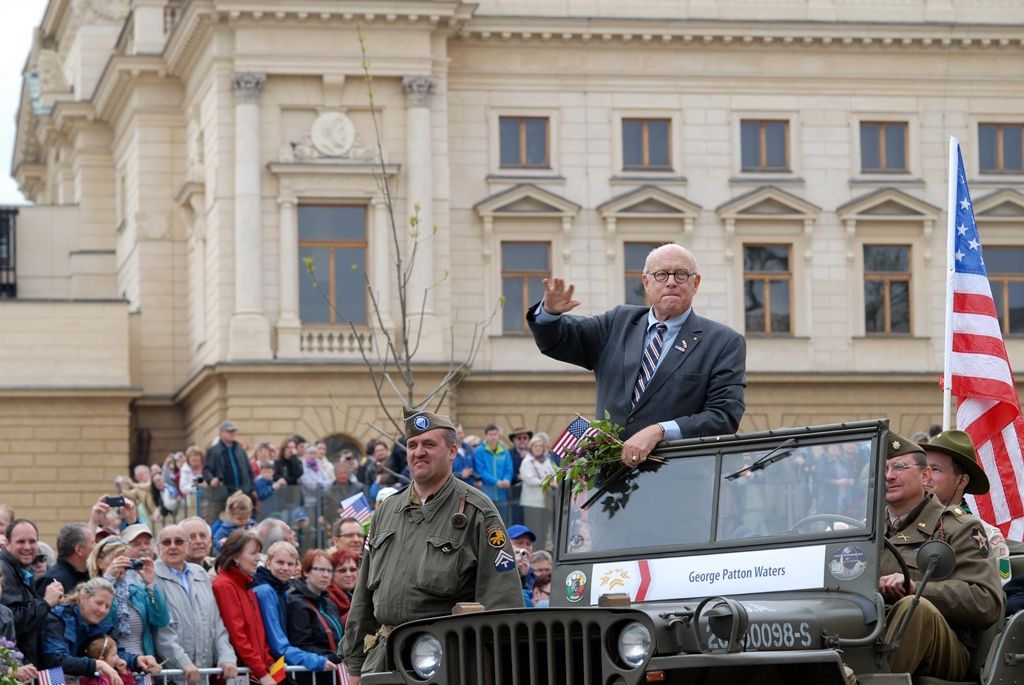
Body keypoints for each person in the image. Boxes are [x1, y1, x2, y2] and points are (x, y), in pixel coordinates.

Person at [342, 411, 524, 682]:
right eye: (412, 445)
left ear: (452, 452)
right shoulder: (386, 511)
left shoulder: (478, 511)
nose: (419, 452)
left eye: (429, 444)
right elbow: (363, 598)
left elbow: (502, 600)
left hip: (446, 664)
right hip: (383, 662)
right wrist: (355, 665)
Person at [527, 243, 746, 465]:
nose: (671, 282)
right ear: (646, 282)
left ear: (695, 283)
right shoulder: (617, 323)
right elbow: (560, 340)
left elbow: (724, 416)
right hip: (611, 477)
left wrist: (660, 431)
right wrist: (550, 313)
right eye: (661, 274)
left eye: (681, 274)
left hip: (678, 475)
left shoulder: (723, 342)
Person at [879, 432, 1002, 680]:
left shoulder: (960, 528)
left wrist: (916, 589)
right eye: (883, 469)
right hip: (872, 633)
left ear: (924, 476)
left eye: (899, 467)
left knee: (915, 607)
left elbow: (986, 601)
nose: (889, 475)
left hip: (942, 646)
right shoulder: (867, 530)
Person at [152, 525, 237, 685]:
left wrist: (226, 656)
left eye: (178, 541)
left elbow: (216, 623)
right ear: (158, 547)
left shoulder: (200, 574)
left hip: (203, 674)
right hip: (171, 676)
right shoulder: (151, 577)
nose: (172, 546)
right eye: (166, 542)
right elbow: (161, 631)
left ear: (187, 544)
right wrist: (183, 662)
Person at [921, 429, 1010, 580]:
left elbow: (994, 590)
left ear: (962, 481)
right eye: (924, 469)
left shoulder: (987, 536)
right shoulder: (902, 523)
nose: (925, 476)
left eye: (935, 469)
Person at [42, 577, 161, 685]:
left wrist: (137, 661)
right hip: (55, 679)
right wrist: (96, 664)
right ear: (83, 598)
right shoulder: (58, 617)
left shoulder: (104, 625)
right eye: (99, 603)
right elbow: (55, 659)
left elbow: (114, 653)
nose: (103, 610)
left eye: (107, 606)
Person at [253, 541, 337, 675]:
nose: (285, 568)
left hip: (277, 664)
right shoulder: (266, 591)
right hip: (268, 665)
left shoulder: (282, 591)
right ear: (268, 563)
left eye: (290, 564)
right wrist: (316, 661)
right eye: (280, 562)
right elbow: (279, 645)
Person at [87, 534, 170, 662]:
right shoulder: (90, 592)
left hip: (142, 662)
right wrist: (108, 580)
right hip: (110, 665)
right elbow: (100, 625)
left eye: (126, 560)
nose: (122, 564)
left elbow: (161, 620)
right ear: (99, 562)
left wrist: (150, 584)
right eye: (116, 560)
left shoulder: (136, 591)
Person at [211, 531, 278, 685]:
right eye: (253, 553)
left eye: (259, 553)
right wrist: (261, 672)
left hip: (253, 672)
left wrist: (269, 662)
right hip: (238, 674)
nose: (258, 558)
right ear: (235, 557)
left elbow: (258, 634)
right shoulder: (224, 585)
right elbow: (237, 634)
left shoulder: (246, 585)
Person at [0, 519, 64, 667]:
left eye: (32, 541)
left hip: (35, 663)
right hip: (17, 668)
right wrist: (46, 603)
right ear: (7, 543)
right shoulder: (4, 571)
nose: (27, 547)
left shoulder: (23, 569)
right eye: (21, 542)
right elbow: (13, 619)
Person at [287, 549, 345, 685]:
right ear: (306, 572)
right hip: (312, 675)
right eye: (320, 569)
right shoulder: (297, 603)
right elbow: (302, 645)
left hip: (333, 673)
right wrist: (336, 657)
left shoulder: (329, 604)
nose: (325, 575)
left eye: (329, 571)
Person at [203, 421, 255, 519]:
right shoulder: (213, 451)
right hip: (222, 493)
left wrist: (251, 488)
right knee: (219, 518)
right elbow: (206, 470)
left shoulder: (240, 450)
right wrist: (211, 479)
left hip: (242, 492)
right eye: (229, 431)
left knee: (244, 518)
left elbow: (249, 471)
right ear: (221, 433)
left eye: (234, 431)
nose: (232, 433)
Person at [519, 436, 557, 551]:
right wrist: (548, 483)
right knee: (534, 530)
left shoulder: (548, 461)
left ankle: (541, 552)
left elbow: (554, 474)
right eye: (535, 446)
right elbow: (529, 479)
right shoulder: (527, 462)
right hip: (532, 503)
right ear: (531, 447)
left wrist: (555, 482)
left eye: (540, 446)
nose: (538, 448)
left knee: (544, 530)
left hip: (546, 502)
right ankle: (533, 552)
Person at [35, 522, 94, 594]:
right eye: (93, 543)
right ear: (79, 550)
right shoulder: (54, 582)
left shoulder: (88, 576)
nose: (96, 547)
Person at [473, 424, 513, 519]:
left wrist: (507, 479)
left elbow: (509, 468)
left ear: (498, 435)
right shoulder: (479, 450)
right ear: (486, 436)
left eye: (495, 434)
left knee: (503, 520)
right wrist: (497, 482)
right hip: (486, 494)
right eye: (491, 434)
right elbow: (481, 471)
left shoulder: (504, 450)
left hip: (502, 494)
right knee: (488, 520)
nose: (493, 437)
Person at [507, 525, 537, 607]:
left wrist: (524, 575)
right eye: (519, 543)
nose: (525, 547)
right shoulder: (499, 570)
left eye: (528, 544)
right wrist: (513, 568)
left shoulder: (534, 574)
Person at [327, 548, 359, 624]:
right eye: (342, 570)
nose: (348, 574)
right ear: (332, 574)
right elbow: (335, 627)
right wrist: (358, 609)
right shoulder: (327, 597)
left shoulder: (354, 594)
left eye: (353, 569)